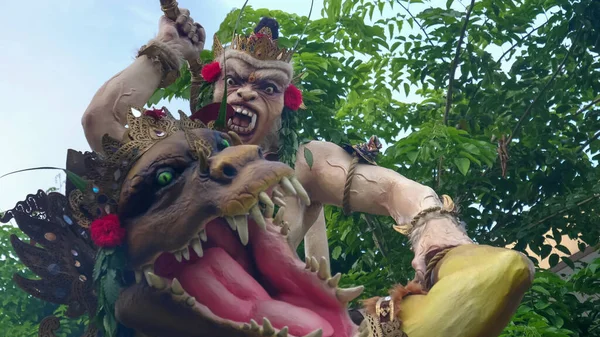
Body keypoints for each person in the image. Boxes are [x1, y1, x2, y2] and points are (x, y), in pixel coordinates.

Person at [78, 5, 534, 337]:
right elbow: (100, 120)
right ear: (215, 88)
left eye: (267, 87)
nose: (244, 94)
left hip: (282, 321)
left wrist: (438, 238)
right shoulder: (174, 151)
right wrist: (169, 50)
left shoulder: (305, 163)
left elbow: (395, 190)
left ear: (284, 104)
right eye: (234, 81)